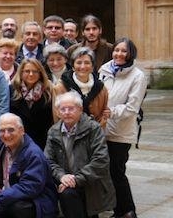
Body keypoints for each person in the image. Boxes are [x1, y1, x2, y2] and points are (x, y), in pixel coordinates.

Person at [44, 91, 115, 218]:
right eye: (63, 109)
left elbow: (101, 161)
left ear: (80, 109)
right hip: (67, 183)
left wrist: (76, 179)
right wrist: (62, 176)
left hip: (91, 183)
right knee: (67, 194)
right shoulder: (53, 131)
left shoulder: (93, 128)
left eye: (71, 108)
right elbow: (48, 160)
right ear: (58, 112)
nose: (66, 112)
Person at [100, 38, 147, 218]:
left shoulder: (138, 76)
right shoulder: (104, 69)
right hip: (102, 129)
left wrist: (110, 112)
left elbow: (132, 107)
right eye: (117, 50)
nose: (119, 54)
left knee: (117, 172)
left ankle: (128, 210)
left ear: (130, 54)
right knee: (108, 172)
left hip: (121, 132)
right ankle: (118, 210)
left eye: (124, 51)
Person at [0, 113, 57, 218]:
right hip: (9, 195)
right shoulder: (1, 147)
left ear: (22, 130)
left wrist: (0, 199)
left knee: (17, 208)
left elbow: (30, 187)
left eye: (11, 130)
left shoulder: (33, 153)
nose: (6, 135)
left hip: (36, 201)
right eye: (2, 131)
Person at [56, 47, 109, 126]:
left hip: (95, 134)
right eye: (79, 63)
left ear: (92, 67)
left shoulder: (101, 89)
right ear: (73, 66)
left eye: (87, 63)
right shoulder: (61, 87)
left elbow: (103, 115)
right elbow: (57, 115)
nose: (83, 66)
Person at [9, 58, 54, 149]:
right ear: (21, 72)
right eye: (27, 71)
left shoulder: (48, 91)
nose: (31, 74)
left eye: (35, 71)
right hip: (18, 140)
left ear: (40, 73)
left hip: (42, 141)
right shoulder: (11, 89)